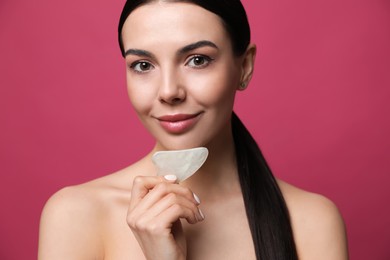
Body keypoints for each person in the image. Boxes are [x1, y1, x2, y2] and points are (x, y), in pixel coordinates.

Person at [38, 0, 349, 259]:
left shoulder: (311, 221)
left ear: (245, 67)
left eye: (197, 60)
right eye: (143, 65)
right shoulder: (75, 216)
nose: (169, 91)